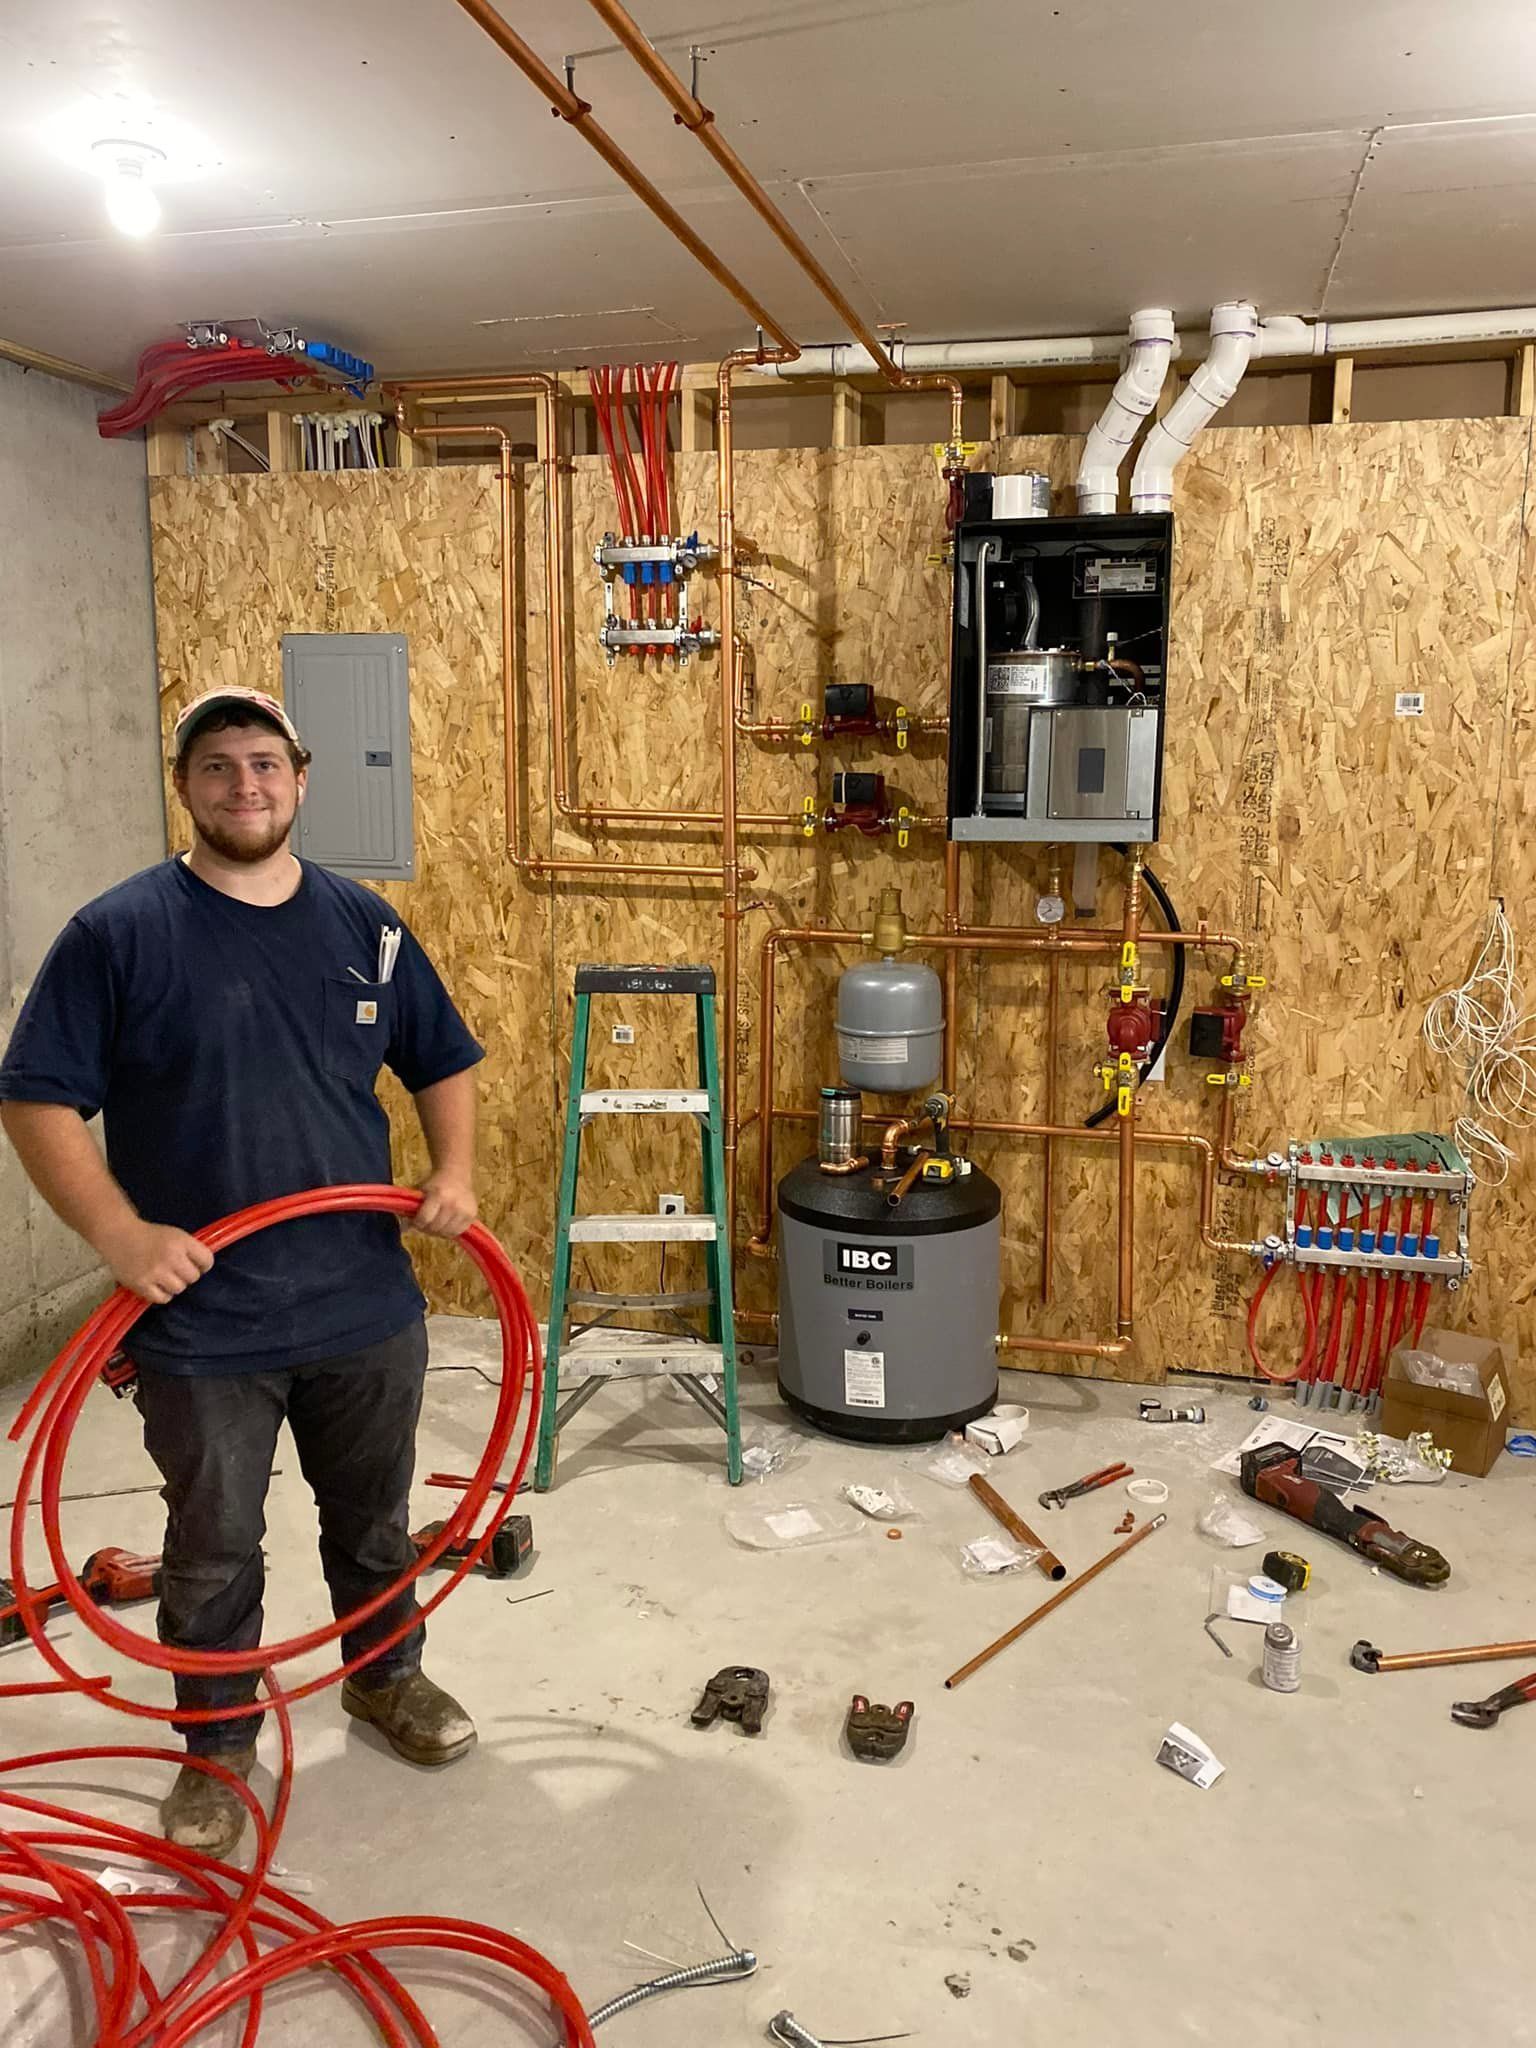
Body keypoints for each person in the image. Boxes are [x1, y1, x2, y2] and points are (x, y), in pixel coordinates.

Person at [0, 686, 485, 1859]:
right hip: (204, 1321)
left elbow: (442, 1055)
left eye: (264, 763)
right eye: (217, 767)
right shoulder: (119, 933)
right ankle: (215, 1751)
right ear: (187, 787)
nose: (245, 786)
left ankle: (385, 1678)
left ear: (302, 775)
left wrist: (454, 1169)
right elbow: (35, 1097)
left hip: (362, 1302)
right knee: (213, 1546)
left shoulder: (364, 925)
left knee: (372, 1521)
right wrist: (120, 1236)